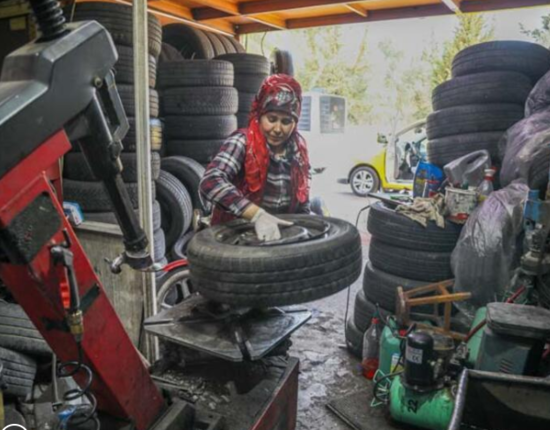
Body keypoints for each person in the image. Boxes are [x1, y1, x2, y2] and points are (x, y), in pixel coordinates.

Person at [199, 74, 311, 242]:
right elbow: (210, 182)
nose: (277, 129)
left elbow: (303, 204)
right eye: (271, 119)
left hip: (277, 239)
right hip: (234, 239)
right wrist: (256, 215)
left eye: (286, 121)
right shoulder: (242, 142)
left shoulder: (297, 152)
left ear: (295, 123)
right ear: (259, 116)